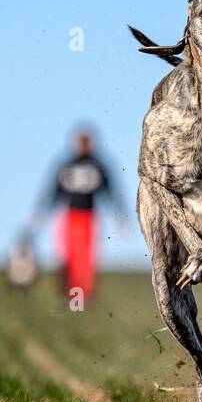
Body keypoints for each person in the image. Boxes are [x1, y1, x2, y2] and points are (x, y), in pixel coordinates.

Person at [32, 129, 127, 301]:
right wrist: (42, 211)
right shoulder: (72, 164)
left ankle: (82, 297)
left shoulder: (95, 165)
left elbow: (110, 192)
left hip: (88, 217)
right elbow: (55, 190)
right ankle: (69, 294)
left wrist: (120, 216)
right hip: (70, 216)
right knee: (68, 256)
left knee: (86, 259)